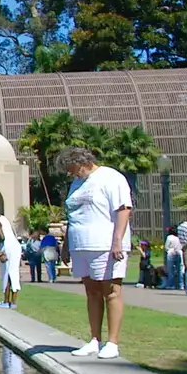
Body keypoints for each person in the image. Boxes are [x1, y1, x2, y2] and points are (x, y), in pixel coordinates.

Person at [59, 146, 133, 360]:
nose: (69, 173)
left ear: (82, 162)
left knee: (111, 290)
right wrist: (67, 245)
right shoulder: (77, 183)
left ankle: (112, 342)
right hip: (81, 244)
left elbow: (123, 208)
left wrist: (117, 240)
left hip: (105, 244)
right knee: (91, 292)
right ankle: (94, 339)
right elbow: (74, 215)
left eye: (71, 168)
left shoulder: (110, 177)